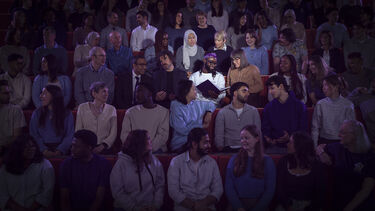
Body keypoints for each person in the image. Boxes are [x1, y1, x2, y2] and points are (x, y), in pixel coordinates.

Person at [316, 120, 375, 211]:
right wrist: (322, 153)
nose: (339, 135)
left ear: (354, 136)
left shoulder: (369, 156)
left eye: (342, 133)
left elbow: (366, 190)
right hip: (338, 198)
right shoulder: (338, 147)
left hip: (360, 203)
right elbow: (320, 147)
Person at [168, 127, 223, 210]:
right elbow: (173, 191)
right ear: (194, 144)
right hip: (183, 208)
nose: (209, 146)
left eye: (209, 142)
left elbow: (218, 189)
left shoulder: (212, 162)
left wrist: (202, 204)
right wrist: (194, 206)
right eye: (205, 143)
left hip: (207, 207)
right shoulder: (176, 162)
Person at [111, 129, 165, 210]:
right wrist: (135, 208)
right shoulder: (121, 164)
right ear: (139, 143)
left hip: (151, 207)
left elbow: (160, 185)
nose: (151, 141)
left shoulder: (154, 161)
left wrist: (156, 205)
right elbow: (118, 192)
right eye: (148, 139)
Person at [225, 125, 276, 211]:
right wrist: (239, 207)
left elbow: (270, 190)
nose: (243, 141)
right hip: (237, 205)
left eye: (246, 138)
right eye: (241, 138)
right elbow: (229, 187)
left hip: (259, 205)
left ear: (257, 139)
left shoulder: (267, 161)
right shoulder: (234, 159)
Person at [60, 129, 111, 211]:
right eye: (72, 145)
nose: (72, 149)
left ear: (89, 147)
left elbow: (99, 197)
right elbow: (64, 197)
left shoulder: (103, 164)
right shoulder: (66, 164)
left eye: (77, 147)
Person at [0, 134, 55, 211]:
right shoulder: (6, 168)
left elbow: (47, 193)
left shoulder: (45, 165)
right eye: (26, 147)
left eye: (33, 146)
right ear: (18, 149)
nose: (31, 149)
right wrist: (19, 208)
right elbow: (2, 194)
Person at [275, 131, 327, 211]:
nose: (287, 144)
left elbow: (320, 194)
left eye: (290, 142)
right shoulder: (283, 162)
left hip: (310, 206)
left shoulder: (317, 166)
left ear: (299, 146)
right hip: (287, 205)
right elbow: (279, 189)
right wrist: (288, 206)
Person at [262, 75, 308, 154]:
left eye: (272, 88)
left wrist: (290, 137)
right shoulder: (268, 107)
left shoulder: (299, 106)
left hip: (296, 146)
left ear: (281, 86)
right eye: (269, 89)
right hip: (275, 146)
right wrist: (270, 139)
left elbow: (303, 129)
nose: (270, 92)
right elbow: (265, 129)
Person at [120, 82, 169, 153]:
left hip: (155, 150)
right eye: (136, 92)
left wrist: (148, 148)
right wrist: (135, 148)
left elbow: (162, 136)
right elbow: (124, 134)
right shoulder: (130, 112)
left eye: (140, 91)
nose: (136, 95)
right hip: (134, 150)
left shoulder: (163, 112)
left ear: (150, 94)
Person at [170, 80, 216, 152]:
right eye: (194, 89)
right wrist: (202, 126)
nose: (196, 92)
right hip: (181, 143)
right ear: (186, 91)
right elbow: (182, 130)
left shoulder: (197, 104)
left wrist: (209, 113)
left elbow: (211, 104)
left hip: (197, 142)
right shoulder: (175, 105)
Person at [29, 85, 74, 157]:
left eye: (44, 93)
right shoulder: (37, 113)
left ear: (54, 95)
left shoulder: (67, 114)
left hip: (61, 151)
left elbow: (69, 135)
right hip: (41, 151)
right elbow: (34, 134)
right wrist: (44, 150)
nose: (40, 96)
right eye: (41, 93)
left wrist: (60, 150)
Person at [215, 82, 261, 152]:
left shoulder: (253, 111)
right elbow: (219, 137)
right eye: (244, 91)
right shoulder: (223, 112)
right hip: (228, 150)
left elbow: (258, 134)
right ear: (235, 93)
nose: (248, 94)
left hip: (249, 150)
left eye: (248, 92)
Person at [312, 74, 356, 146]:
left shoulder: (348, 104)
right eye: (323, 85)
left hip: (342, 141)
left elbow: (352, 128)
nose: (323, 88)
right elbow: (315, 127)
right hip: (324, 141)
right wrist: (315, 146)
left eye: (326, 85)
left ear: (336, 86)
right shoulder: (320, 104)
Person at [75, 82, 117, 154]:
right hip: (86, 146)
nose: (106, 94)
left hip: (104, 147)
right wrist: (86, 146)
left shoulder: (111, 109)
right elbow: (78, 130)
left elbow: (113, 133)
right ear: (94, 93)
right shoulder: (82, 107)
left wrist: (103, 145)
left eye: (107, 92)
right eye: (104, 91)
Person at [0, 80, 26, 155]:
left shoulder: (16, 110)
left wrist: (2, 146)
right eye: (5, 93)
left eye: (9, 93)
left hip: (9, 150)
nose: (9, 96)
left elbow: (17, 137)